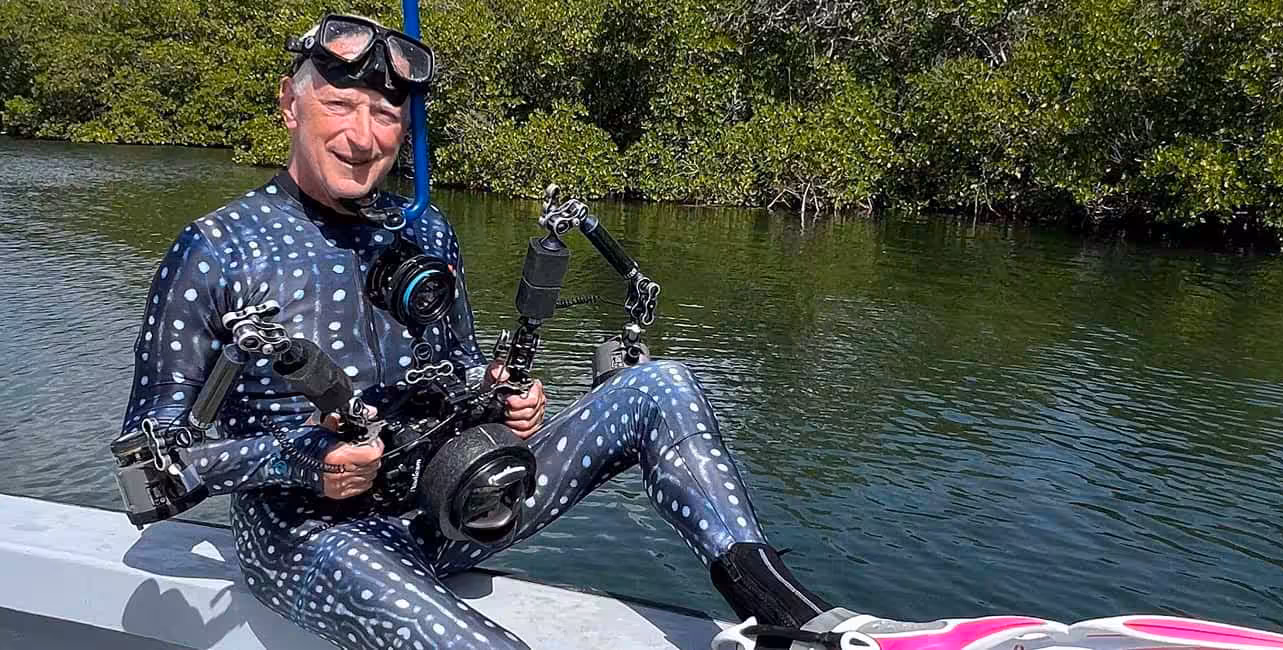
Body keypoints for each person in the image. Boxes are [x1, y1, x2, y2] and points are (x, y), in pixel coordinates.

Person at [119, 13, 856, 650]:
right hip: (311, 535)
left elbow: (461, 364)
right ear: (290, 104)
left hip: (453, 501)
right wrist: (298, 460)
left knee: (659, 385)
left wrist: (499, 395)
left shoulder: (424, 230)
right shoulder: (216, 248)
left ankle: (784, 612)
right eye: (339, 105)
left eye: (385, 115)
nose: (362, 136)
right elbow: (147, 473)